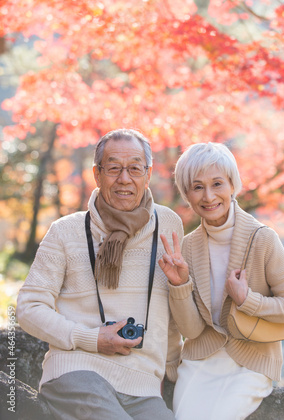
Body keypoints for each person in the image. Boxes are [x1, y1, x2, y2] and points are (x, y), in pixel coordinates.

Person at [17, 128, 184, 420]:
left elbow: (169, 310)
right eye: (114, 168)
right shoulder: (65, 231)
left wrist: (174, 368)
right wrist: (91, 338)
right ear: (97, 174)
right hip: (76, 372)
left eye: (134, 168)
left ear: (148, 174)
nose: (124, 178)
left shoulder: (169, 225)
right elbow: (28, 308)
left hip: (142, 386)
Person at [158, 142, 284, 420]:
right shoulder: (188, 248)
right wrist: (179, 285)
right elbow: (191, 331)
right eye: (197, 186)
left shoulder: (263, 238)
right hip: (201, 361)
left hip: (250, 362)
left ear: (232, 185)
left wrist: (247, 300)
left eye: (217, 183)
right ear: (187, 194)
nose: (209, 196)